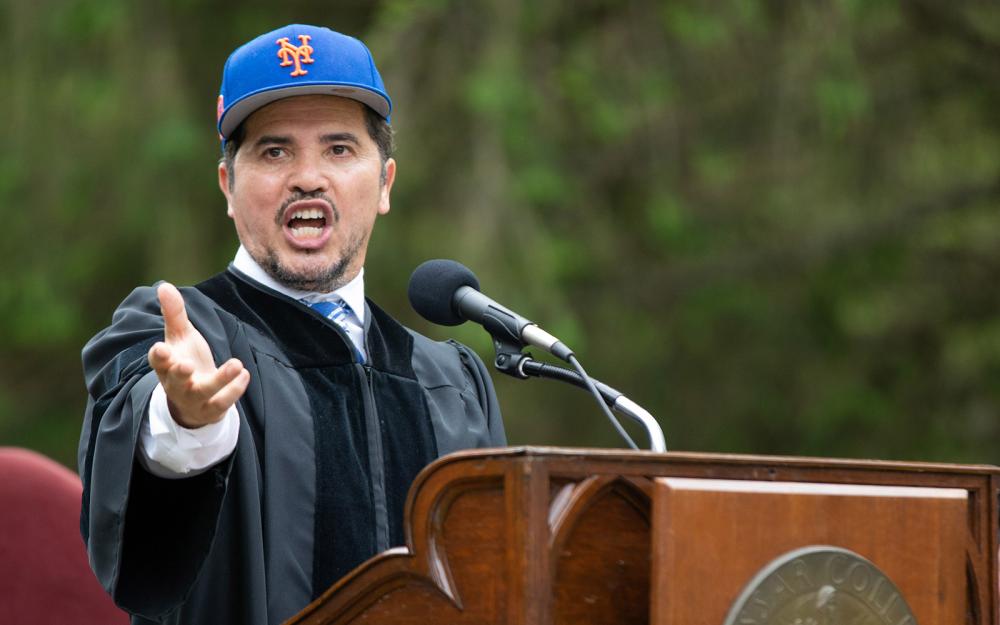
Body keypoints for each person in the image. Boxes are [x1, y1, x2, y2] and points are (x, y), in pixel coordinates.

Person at [78, 24, 506, 625]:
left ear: (384, 182)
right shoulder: (174, 333)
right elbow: (142, 504)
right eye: (274, 151)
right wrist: (185, 420)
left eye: (339, 149)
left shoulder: (450, 381)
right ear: (229, 185)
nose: (308, 177)